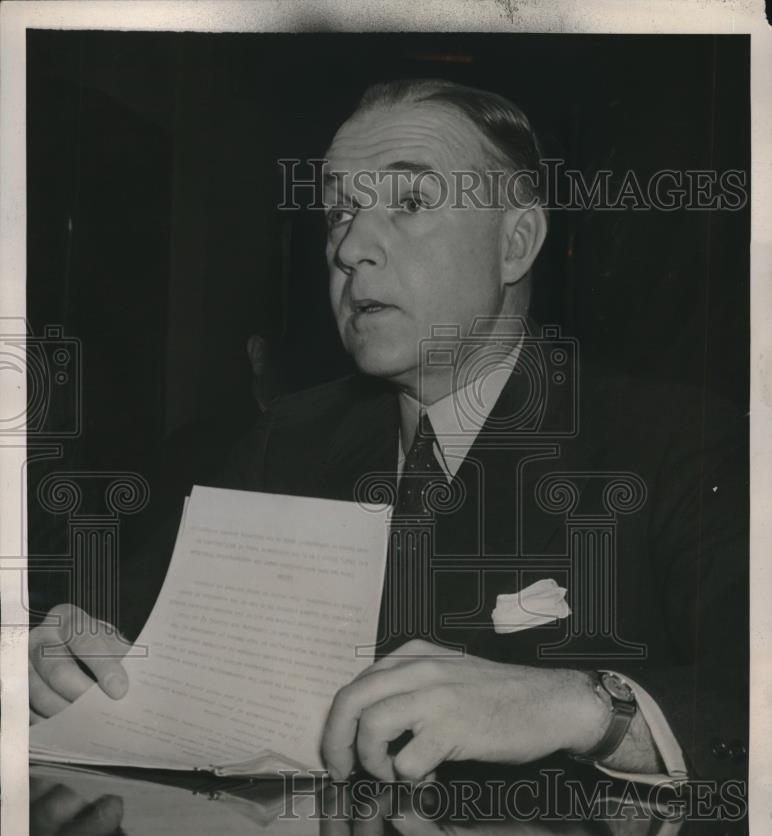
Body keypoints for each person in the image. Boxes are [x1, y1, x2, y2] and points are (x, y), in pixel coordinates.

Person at [28, 79, 748, 788]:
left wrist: (589, 707)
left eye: (409, 203)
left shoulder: (677, 443)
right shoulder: (285, 440)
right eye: (339, 214)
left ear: (516, 243)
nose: (351, 248)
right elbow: (121, 639)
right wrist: (57, 661)